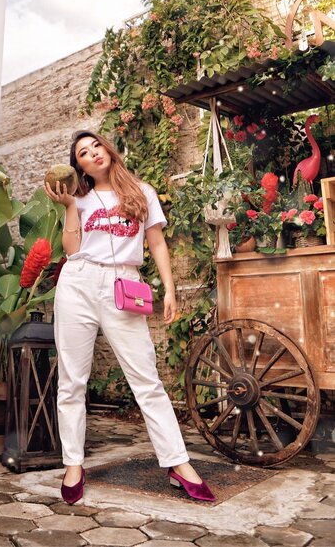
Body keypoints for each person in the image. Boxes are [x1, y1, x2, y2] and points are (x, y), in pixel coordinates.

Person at [44, 130, 215, 504]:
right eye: (83, 154)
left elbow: (156, 242)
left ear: (108, 148)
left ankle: (177, 463)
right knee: (72, 380)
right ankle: (73, 464)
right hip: (79, 282)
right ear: (81, 166)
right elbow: (71, 251)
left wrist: (169, 289)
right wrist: (70, 207)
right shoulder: (81, 198)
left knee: (147, 379)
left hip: (124, 284)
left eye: (96, 146)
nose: (93, 154)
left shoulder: (142, 191)